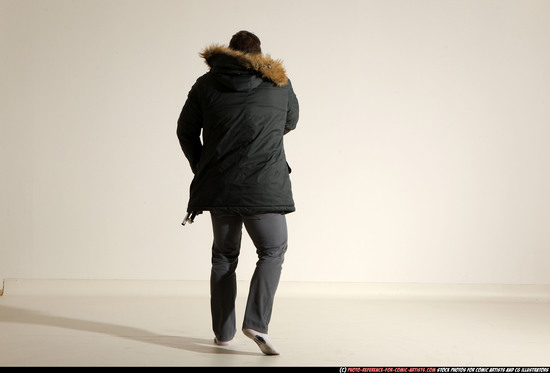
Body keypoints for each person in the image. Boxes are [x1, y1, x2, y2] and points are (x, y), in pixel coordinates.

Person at [176, 31, 299, 355]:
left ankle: (223, 333)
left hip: (221, 188)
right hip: (264, 187)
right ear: (260, 56)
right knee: (272, 250)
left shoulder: (206, 84)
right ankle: (256, 323)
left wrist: (203, 165)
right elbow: (290, 122)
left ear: (229, 53)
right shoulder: (280, 83)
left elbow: (185, 130)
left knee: (224, 256)